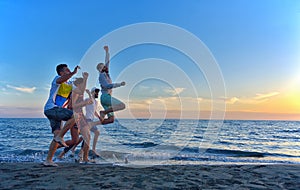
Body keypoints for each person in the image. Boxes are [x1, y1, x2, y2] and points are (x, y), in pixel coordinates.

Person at [43, 64, 79, 167]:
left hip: (55, 112)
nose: (69, 70)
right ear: (61, 73)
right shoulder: (57, 79)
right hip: (51, 108)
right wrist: (73, 73)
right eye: (67, 70)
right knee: (76, 116)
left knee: (56, 134)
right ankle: (60, 137)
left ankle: (48, 160)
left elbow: (72, 100)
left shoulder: (70, 85)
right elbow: (62, 79)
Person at [96, 45, 126, 123]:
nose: (106, 67)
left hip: (106, 98)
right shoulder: (101, 75)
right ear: (100, 69)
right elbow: (107, 86)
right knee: (122, 106)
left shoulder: (106, 74)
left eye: (105, 66)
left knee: (111, 120)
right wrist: (119, 84)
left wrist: (107, 52)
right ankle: (103, 112)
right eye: (103, 67)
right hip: (105, 97)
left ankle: (90, 125)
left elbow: (107, 62)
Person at [85, 87, 101, 156]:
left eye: (98, 92)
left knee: (84, 137)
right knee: (96, 132)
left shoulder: (96, 102)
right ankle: (93, 150)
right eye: (96, 92)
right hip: (87, 120)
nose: (97, 93)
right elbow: (89, 101)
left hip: (91, 120)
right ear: (92, 93)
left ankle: (76, 151)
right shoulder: (87, 99)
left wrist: (99, 117)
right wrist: (89, 93)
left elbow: (94, 112)